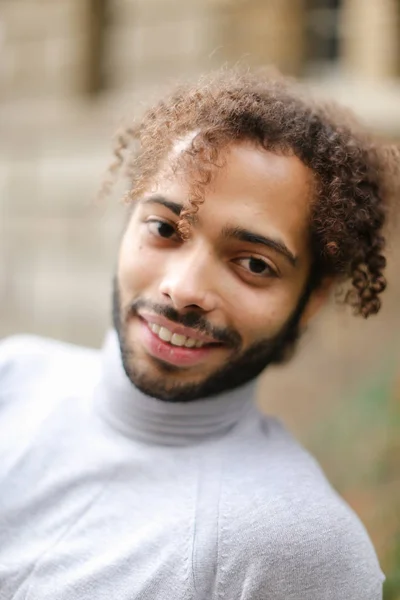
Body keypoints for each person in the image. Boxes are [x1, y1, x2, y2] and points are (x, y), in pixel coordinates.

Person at [0, 68, 398, 600]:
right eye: (166, 229)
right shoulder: (14, 378)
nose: (183, 289)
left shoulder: (295, 549)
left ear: (312, 300)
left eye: (254, 264)